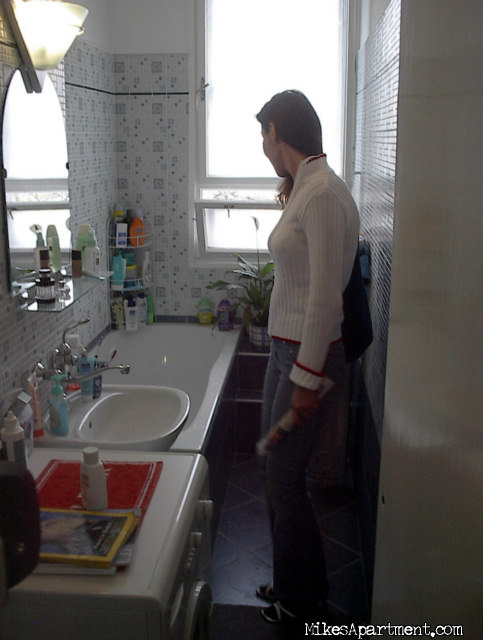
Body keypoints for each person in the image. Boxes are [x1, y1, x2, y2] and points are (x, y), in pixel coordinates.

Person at [255, 90, 360, 623]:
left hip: (305, 358)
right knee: (276, 468)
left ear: (276, 131)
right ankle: (292, 581)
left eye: (263, 135)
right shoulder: (305, 187)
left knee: (283, 478)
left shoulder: (320, 194)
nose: (262, 147)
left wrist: (306, 378)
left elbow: (323, 299)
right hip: (286, 351)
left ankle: (302, 599)